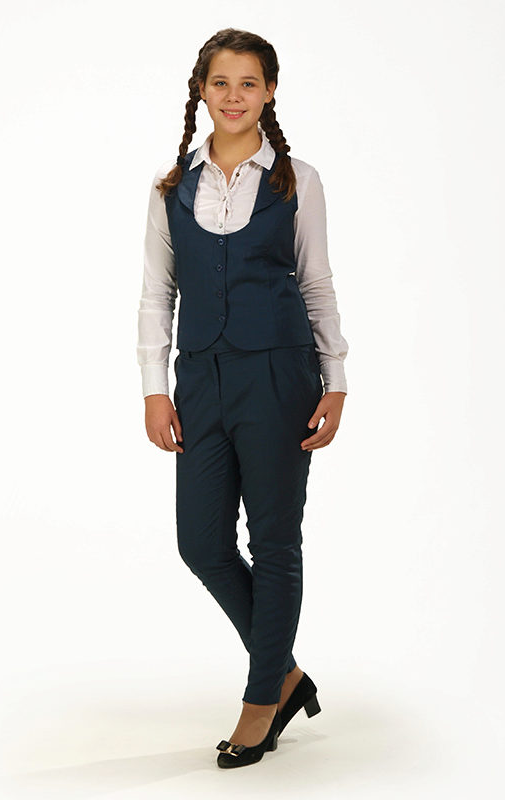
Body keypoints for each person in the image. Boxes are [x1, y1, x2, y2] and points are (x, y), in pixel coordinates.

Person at [136, 27, 349, 769]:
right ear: (201, 91)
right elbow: (156, 295)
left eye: (248, 83)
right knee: (200, 543)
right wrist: (154, 389)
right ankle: (285, 672)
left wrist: (337, 378)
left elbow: (316, 282)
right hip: (199, 379)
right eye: (220, 82)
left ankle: (262, 701)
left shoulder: (298, 181)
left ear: (270, 92)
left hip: (281, 377)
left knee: (275, 540)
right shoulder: (171, 185)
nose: (234, 96)